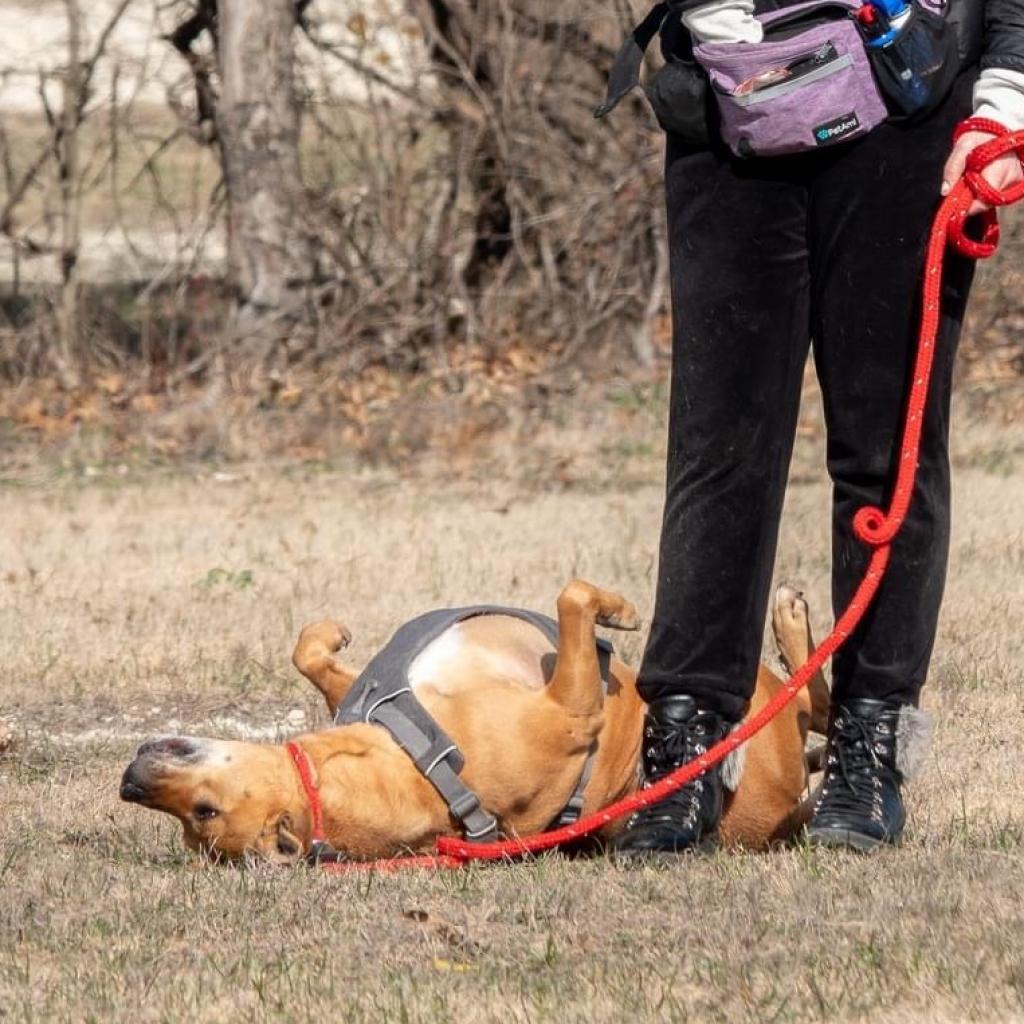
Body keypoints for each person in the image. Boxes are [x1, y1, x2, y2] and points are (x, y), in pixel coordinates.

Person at [609, 0, 1024, 858]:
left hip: (908, 118)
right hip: (729, 112)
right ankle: (684, 742)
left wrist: (1004, 104)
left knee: (887, 458)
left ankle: (870, 743)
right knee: (717, 452)